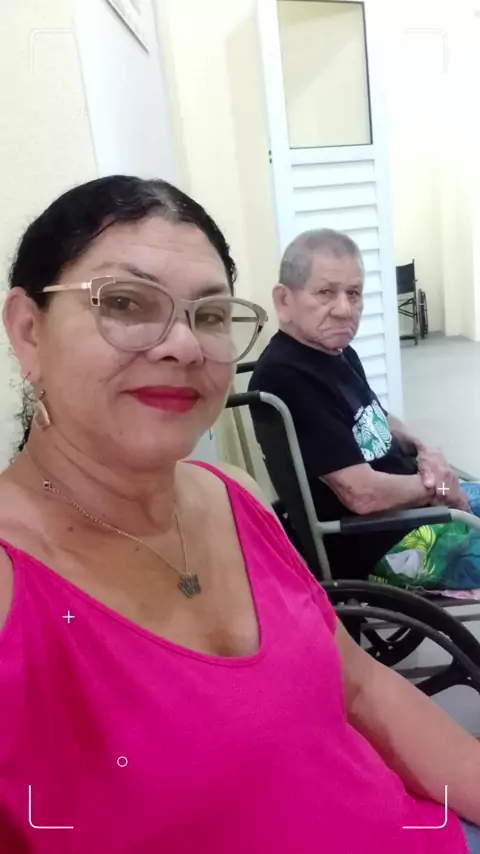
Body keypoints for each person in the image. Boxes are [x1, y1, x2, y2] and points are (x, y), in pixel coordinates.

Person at [0, 176, 479, 853]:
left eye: (210, 314)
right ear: (29, 331)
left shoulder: (233, 495)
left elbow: (361, 687)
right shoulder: (15, 587)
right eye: (126, 302)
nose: (184, 345)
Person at [249, 229, 480, 586]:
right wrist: (441, 487)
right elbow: (362, 495)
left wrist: (425, 450)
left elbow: (377, 419)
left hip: (415, 507)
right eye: (326, 292)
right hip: (384, 540)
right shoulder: (287, 376)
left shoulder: (336, 352)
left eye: (353, 293)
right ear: (284, 300)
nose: (345, 310)